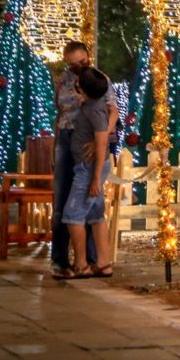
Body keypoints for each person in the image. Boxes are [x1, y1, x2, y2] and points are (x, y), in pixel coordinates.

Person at [52, 42, 118, 275]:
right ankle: (61, 260)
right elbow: (59, 113)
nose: (78, 67)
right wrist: (55, 147)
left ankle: (88, 260)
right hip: (67, 137)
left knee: (84, 203)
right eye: (73, 64)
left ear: (88, 56)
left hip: (89, 140)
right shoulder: (63, 80)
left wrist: (102, 135)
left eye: (82, 62)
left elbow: (112, 111)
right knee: (63, 200)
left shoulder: (97, 80)